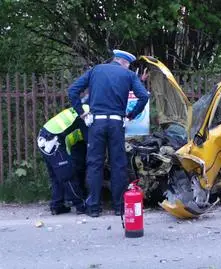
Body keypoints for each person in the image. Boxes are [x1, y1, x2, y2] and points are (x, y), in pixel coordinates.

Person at [68, 49, 149, 217]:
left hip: (96, 122)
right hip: (116, 123)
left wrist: (82, 113)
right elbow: (143, 97)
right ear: (125, 63)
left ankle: (94, 208)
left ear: (115, 59)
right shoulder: (128, 75)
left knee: (94, 164)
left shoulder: (96, 70)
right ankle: (119, 207)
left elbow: (73, 90)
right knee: (118, 165)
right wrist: (131, 116)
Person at [37, 104, 89, 215]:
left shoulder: (80, 107)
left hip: (44, 137)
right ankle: (80, 205)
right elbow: (89, 138)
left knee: (56, 176)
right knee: (67, 174)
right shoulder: (87, 112)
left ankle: (57, 206)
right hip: (53, 141)